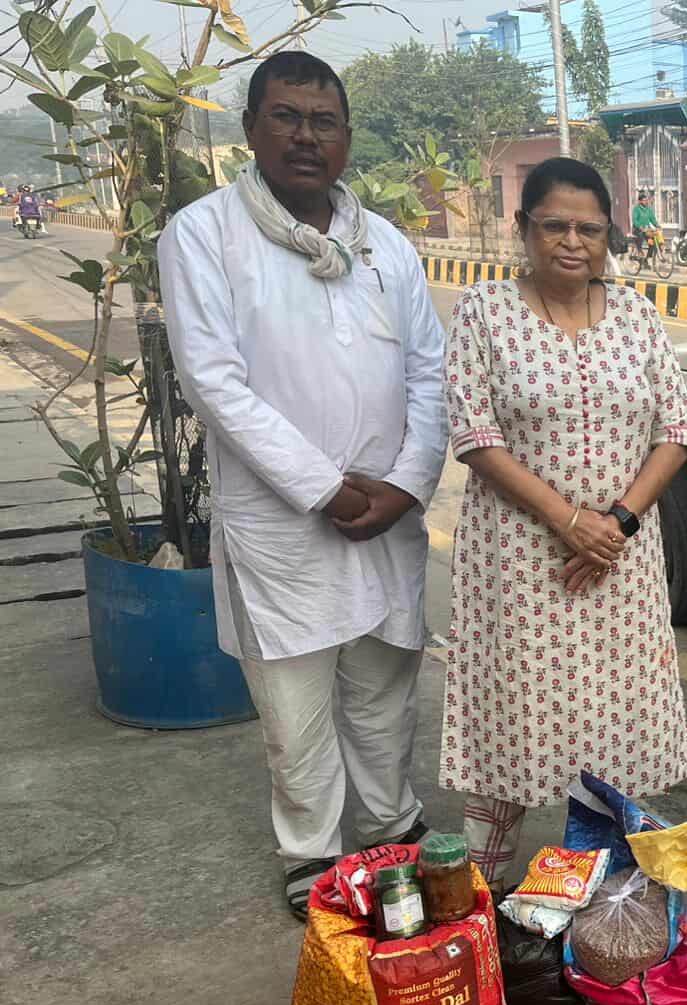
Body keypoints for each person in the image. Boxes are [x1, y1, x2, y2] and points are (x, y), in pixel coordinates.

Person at [159, 51, 448, 918]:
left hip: (387, 517)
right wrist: (326, 489)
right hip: (282, 523)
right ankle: (313, 849)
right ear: (251, 129)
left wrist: (405, 486)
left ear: (347, 137)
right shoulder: (204, 235)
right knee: (294, 706)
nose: (305, 136)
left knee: (385, 690)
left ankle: (391, 823)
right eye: (285, 117)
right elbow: (213, 382)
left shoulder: (386, 245)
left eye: (324, 121)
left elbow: (431, 375)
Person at [440, 158, 687, 891]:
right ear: (523, 229)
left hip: (620, 558)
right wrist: (568, 521)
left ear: (610, 233)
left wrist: (615, 522)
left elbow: (675, 430)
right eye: (554, 225)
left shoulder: (638, 316)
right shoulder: (485, 312)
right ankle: (480, 892)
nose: (573, 242)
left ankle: (613, 894)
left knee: (617, 713)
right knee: (513, 712)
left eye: (589, 228)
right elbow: (474, 434)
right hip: (520, 559)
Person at [630, 189, 660, 257]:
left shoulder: (649, 209)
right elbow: (635, 220)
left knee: (652, 243)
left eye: (647, 200)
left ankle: (648, 258)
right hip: (638, 230)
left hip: (647, 230)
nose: (646, 202)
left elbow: (653, 219)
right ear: (640, 201)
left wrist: (657, 225)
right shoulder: (636, 209)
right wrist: (640, 227)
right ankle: (640, 253)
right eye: (644, 200)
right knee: (639, 241)